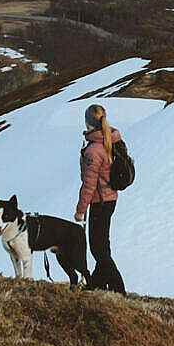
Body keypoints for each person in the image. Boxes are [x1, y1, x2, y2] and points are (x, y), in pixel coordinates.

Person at [75, 102, 126, 294]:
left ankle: (118, 290)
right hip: (111, 198)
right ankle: (96, 284)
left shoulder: (93, 151)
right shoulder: (111, 139)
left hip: (100, 201)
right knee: (102, 244)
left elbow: (89, 184)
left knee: (98, 249)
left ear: (88, 123)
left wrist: (80, 211)